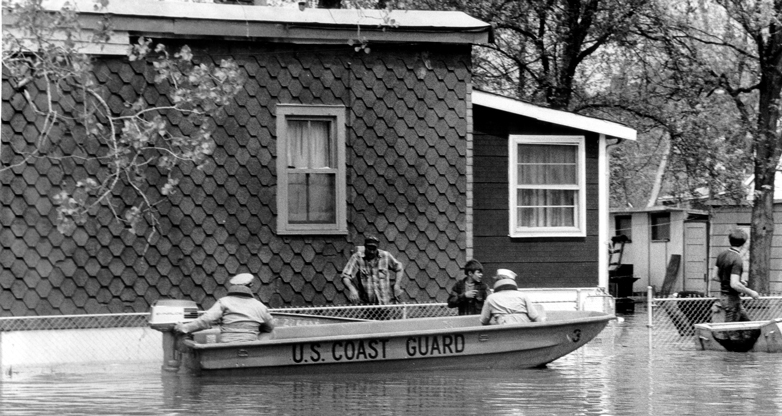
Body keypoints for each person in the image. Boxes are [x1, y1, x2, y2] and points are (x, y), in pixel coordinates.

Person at [174, 273, 275, 342]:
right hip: (251, 345)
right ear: (251, 285)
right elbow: (270, 327)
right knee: (271, 333)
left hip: (227, 344)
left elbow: (206, 320)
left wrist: (185, 327)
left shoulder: (224, 302)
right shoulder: (260, 306)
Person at [341, 235, 404, 305]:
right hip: (367, 306)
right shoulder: (357, 257)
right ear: (365, 247)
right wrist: (352, 289)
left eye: (374, 249)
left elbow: (399, 268)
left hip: (386, 304)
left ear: (377, 248)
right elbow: (345, 276)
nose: (371, 252)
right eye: (369, 249)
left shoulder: (385, 256)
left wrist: (397, 285)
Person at [713, 229, 760, 323]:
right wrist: (751, 293)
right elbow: (734, 284)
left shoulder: (721, 255)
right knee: (729, 331)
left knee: (748, 326)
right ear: (744, 243)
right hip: (732, 299)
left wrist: (736, 281)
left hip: (723, 297)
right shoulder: (737, 259)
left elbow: (714, 276)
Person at [480, 269, 544, 325]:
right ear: (512, 281)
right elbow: (535, 317)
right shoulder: (522, 295)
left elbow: (483, 321)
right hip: (524, 332)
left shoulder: (490, 298)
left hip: (502, 333)